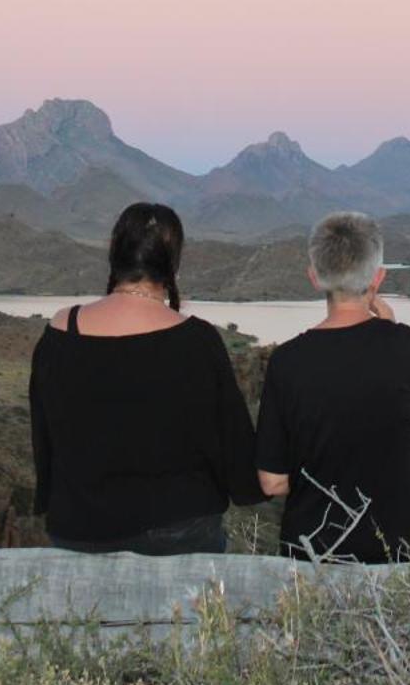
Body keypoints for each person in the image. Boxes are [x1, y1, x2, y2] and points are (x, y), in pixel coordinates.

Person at [30, 201, 263, 554]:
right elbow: (232, 444)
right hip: (179, 532)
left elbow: (44, 436)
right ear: (173, 263)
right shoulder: (197, 341)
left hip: (78, 531)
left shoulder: (61, 331)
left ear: (114, 253)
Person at [255, 211, 410, 562]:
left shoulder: (286, 361)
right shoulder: (407, 345)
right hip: (401, 554)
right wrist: (392, 330)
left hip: (313, 553)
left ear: (314, 277)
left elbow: (272, 481)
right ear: (378, 277)